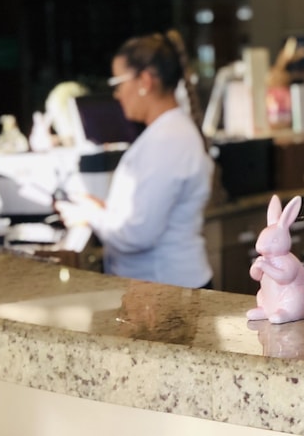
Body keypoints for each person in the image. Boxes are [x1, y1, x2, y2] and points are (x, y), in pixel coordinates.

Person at [56, 30, 213, 289]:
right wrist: (104, 209)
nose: (117, 94)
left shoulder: (167, 140)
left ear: (145, 81)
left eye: (118, 83)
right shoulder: (167, 132)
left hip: (169, 290)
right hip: (166, 287)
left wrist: (90, 214)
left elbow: (137, 234)